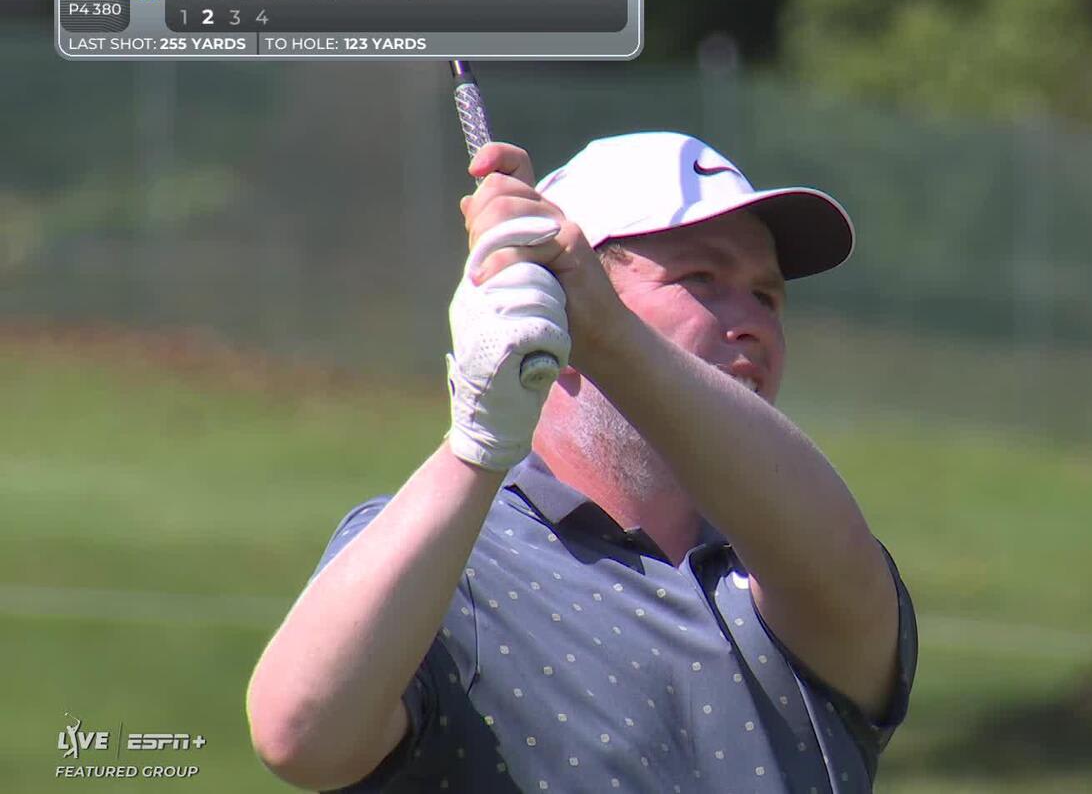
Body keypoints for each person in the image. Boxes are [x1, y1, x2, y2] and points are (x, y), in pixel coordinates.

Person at [246, 131, 917, 793]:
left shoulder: (796, 554)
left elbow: (837, 559)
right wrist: (480, 440)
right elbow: (300, 734)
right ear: (554, 303)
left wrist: (608, 334)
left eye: (766, 296)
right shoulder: (442, 551)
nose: (753, 324)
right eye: (703, 280)